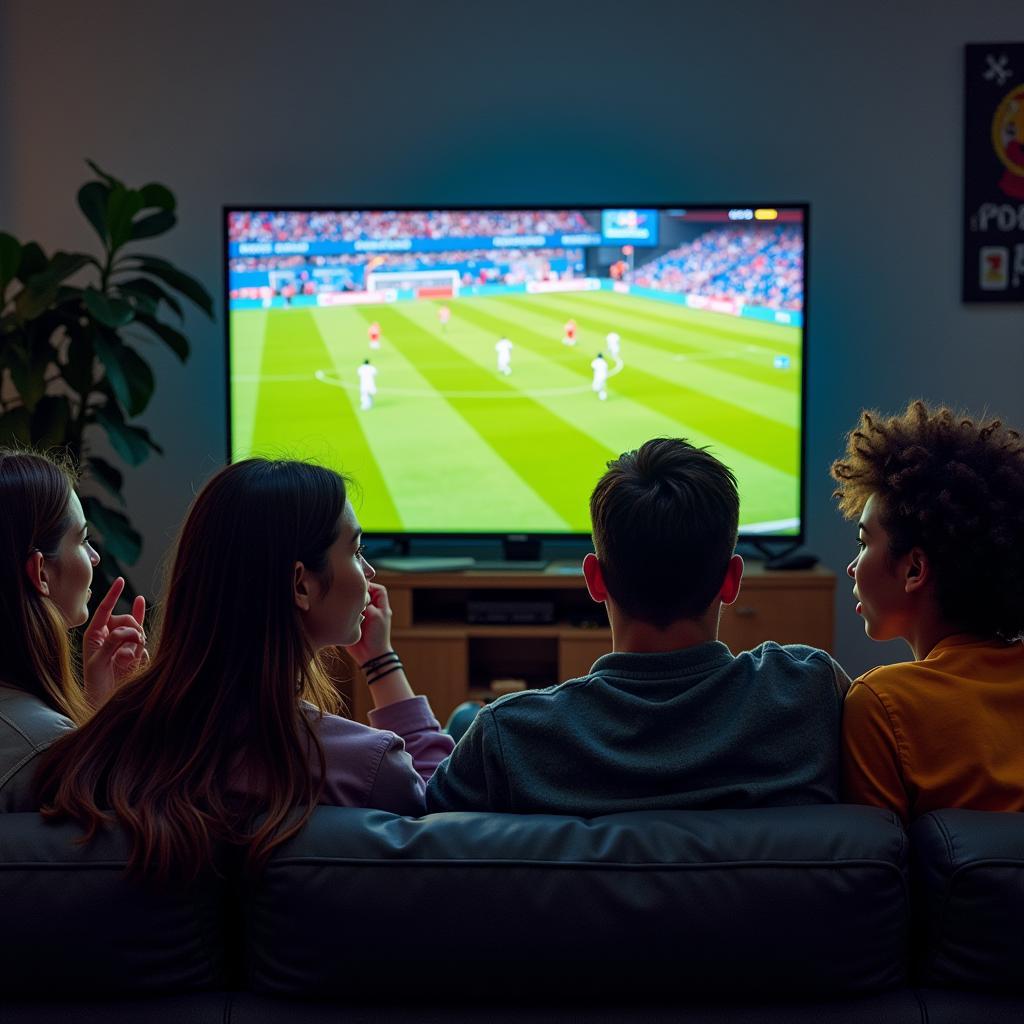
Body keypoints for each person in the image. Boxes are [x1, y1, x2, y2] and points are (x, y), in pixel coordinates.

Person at [36, 459, 454, 881]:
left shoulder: (104, 752)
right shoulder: (369, 766)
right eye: (357, 550)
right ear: (301, 586)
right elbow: (448, 812)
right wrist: (382, 663)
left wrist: (103, 710)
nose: (369, 572)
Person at [427, 438, 848, 815]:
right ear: (733, 580)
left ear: (594, 579)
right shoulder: (810, 693)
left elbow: (416, 825)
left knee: (464, 719)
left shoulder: (507, 739)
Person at [831, 401, 1024, 823]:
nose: (851, 566)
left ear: (914, 568)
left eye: (864, 543)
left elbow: (878, 872)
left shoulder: (881, 705)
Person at [0, 449, 146, 812]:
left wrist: (98, 706)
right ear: (41, 574)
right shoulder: (45, 749)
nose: (95, 557)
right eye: (82, 540)